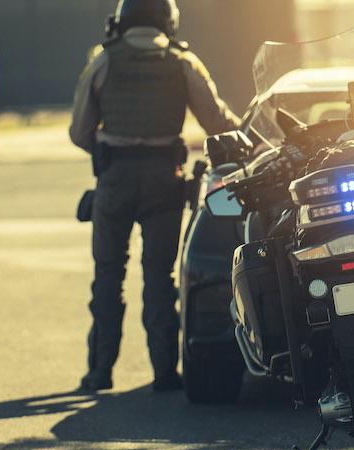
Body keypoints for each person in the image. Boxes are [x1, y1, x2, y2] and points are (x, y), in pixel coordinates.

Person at [69, 0, 240, 392]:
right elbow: (217, 122)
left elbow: (79, 131)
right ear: (169, 21)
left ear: (122, 20)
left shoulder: (103, 61)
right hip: (165, 179)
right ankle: (164, 372)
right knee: (159, 277)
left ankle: (100, 372)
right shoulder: (182, 62)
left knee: (108, 276)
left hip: (114, 180)